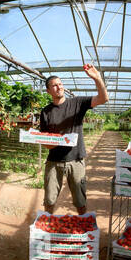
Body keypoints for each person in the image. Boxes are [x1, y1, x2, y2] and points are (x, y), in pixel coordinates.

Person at [38, 65, 108, 215]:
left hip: (75, 160)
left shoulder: (77, 103)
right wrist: (56, 141)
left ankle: (83, 225)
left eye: (60, 84)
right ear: (48, 91)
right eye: (54, 86)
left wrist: (97, 79)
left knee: (80, 201)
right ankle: (47, 225)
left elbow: (103, 98)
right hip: (54, 161)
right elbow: (45, 141)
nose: (59, 87)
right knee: (49, 200)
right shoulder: (45, 112)